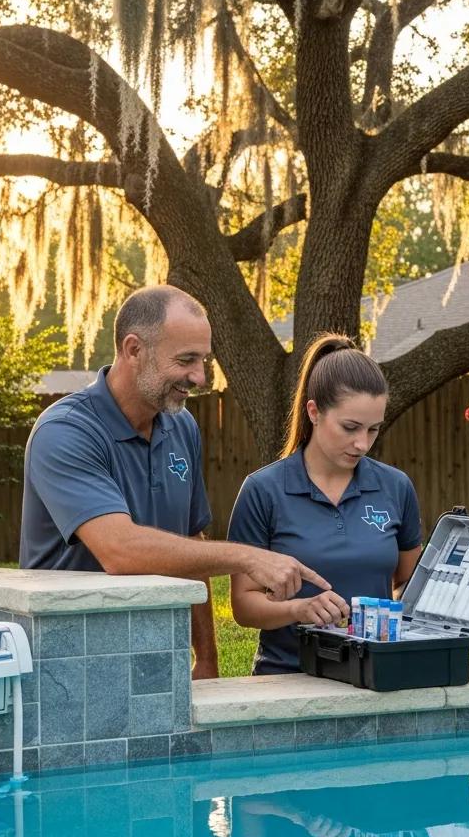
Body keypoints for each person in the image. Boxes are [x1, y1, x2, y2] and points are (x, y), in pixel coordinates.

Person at [20, 285, 326, 679]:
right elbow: (119, 550)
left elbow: (189, 546)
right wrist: (247, 556)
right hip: (69, 661)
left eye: (203, 360)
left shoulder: (181, 426)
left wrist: (207, 660)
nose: (199, 377)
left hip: (155, 656)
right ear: (134, 350)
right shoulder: (66, 432)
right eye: (185, 360)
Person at [228, 334, 423, 675]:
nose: (362, 443)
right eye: (350, 428)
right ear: (314, 411)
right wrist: (298, 609)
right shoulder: (263, 491)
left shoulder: (396, 487)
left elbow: (409, 583)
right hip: (288, 677)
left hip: (374, 677)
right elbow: (244, 605)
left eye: (373, 430)